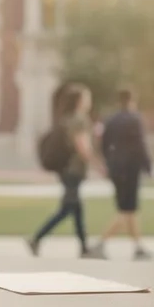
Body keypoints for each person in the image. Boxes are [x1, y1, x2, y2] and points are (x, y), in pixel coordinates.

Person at [28, 83, 96, 257]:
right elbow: (82, 146)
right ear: (80, 101)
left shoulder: (64, 119)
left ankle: (84, 247)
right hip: (74, 170)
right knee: (68, 208)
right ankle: (37, 238)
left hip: (65, 170)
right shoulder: (79, 120)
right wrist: (98, 165)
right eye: (87, 97)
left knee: (75, 207)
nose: (89, 101)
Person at [88, 89, 154, 260]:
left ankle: (138, 247)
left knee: (129, 209)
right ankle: (100, 244)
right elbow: (141, 145)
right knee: (126, 210)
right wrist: (149, 167)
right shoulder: (135, 119)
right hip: (131, 169)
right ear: (132, 100)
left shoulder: (110, 120)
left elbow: (103, 144)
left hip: (116, 168)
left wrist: (108, 163)